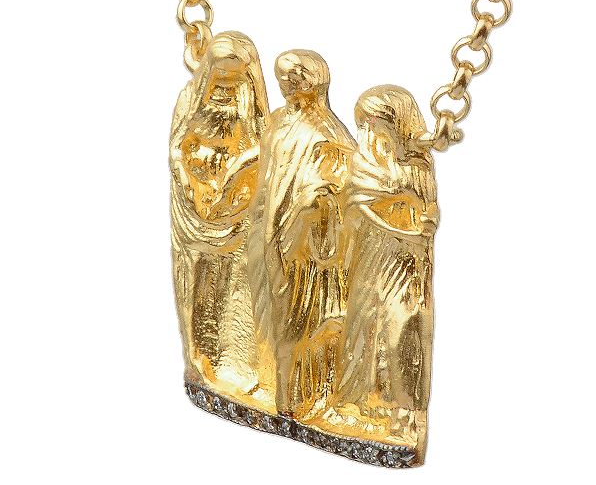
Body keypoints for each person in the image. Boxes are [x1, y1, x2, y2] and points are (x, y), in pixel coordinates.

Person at [248, 50, 355, 422]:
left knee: (301, 319)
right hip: (266, 229)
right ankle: (277, 389)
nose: (288, 86)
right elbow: (266, 175)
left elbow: (345, 183)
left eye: (297, 79)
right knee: (269, 311)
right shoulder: (278, 121)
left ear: (316, 82)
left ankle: (302, 398)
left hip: (307, 246)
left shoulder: (328, 132)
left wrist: (315, 199)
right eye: (283, 79)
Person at [334, 86, 439, 459]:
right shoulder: (364, 162)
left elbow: (429, 209)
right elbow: (355, 201)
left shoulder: (418, 166)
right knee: (363, 328)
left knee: (403, 330)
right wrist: (399, 206)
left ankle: (402, 411)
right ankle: (360, 404)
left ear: (398, 124)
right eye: (363, 122)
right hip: (370, 256)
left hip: (405, 263)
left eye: (375, 121)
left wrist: (423, 223)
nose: (367, 129)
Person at [169, 32, 270, 405]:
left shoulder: (250, 102)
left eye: (235, 76)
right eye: (220, 76)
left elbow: (263, 146)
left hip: (238, 205)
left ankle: (240, 367)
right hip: (194, 202)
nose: (227, 83)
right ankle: (200, 359)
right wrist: (189, 183)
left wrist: (234, 180)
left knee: (240, 281)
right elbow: (177, 146)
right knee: (194, 278)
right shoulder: (190, 97)